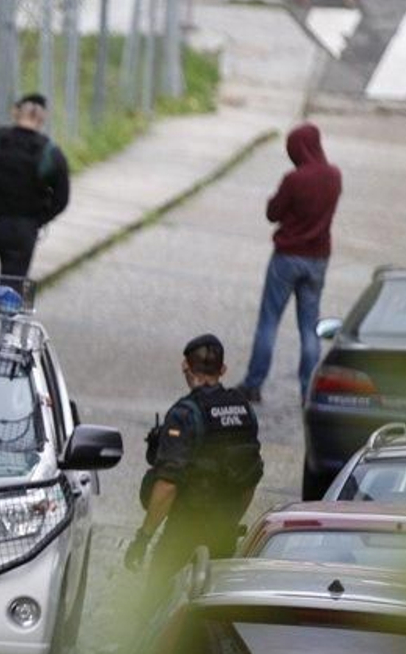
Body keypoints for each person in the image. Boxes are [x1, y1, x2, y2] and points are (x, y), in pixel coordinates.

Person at [125, 335, 264, 600]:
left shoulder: (185, 414)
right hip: (224, 535)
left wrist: (143, 538)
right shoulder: (244, 409)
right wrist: (230, 520)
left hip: (184, 533)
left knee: (157, 604)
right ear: (222, 370)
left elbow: (167, 485)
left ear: (185, 368)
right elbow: (251, 477)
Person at [239, 123, 342, 404]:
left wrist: (275, 201)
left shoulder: (294, 180)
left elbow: (274, 213)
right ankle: (308, 390)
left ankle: (253, 384)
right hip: (318, 258)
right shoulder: (334, 176)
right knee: (310, 327)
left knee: (269, 321)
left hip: (287, 257)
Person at [0, 93, 70, 281]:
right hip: (22, 229)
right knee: (11, 291)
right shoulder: (50, 153)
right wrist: (38, 220)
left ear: (16, 112)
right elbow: (62, 199)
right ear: (43, 118)